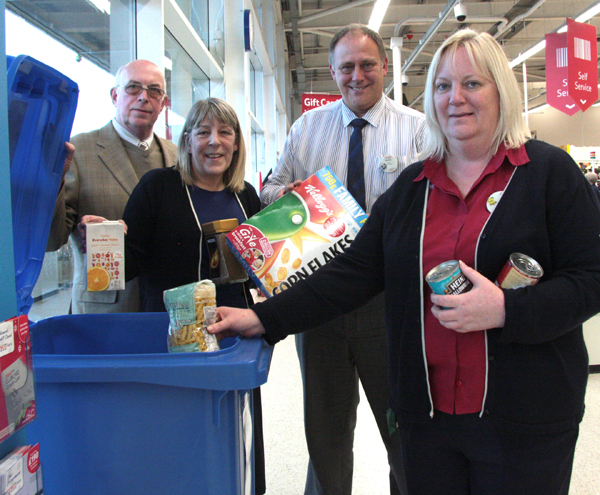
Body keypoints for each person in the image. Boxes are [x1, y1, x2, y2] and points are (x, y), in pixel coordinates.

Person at [208, 29, 600, 495]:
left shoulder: (549, 173)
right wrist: (262, 317)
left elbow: (591, 278)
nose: (455, 98)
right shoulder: (414, 185)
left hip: (525, 420)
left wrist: (506, 310)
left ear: (502, 89)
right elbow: (353, 272)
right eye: (442, 86)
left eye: (472, 84)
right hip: (428, 420)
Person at [259, 23, 426, 495]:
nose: (358, 75)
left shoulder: (416, 130)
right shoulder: (306, 128)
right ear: (332, 71)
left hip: (388, 301)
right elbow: (270, 187)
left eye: (367, 64)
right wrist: (291, 197)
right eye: (347, 66)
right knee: (326, 436)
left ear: (385, 67)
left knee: (403, 431)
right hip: (319, 298)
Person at [120, 97, 265, 494]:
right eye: (202, 132)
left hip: (233, 340)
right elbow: (128, 264)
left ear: (236, 144)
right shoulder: (159, 188)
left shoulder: (246, 196)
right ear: (186, 141)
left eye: (224, 132)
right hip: (171, 340)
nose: (214, 142)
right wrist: (104, 241)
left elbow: (260, 268)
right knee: (171, 437)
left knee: (227, 433)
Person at [47, 59, 178, 314]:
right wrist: (52, 182)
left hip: (169, 311)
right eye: (133, 88)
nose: (143, 97)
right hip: (103, 312)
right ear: (115, 95)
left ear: (163, 103)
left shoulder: (177, 157)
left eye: (154, 90)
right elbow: (52, 240)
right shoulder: (79, 152)